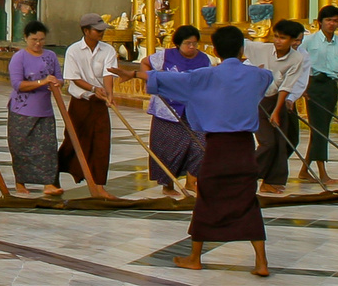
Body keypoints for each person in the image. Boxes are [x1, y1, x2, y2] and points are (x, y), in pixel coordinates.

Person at [113, 24, 275, 277]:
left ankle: (195, 257)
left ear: (216, 52)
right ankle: (261, 262)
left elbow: (170, 79)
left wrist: (133, 75)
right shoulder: (258, 76)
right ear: (241, 49)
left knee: (207, 198)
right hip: (244, 147)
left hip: (218, 147)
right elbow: (267, 77)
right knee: (247, 200)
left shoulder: (205, 76)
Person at [144, 24, 214, 196]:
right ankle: (167, 185)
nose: (191, 47)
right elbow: (145, 63)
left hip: (194, 110)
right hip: (167, 110)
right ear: (178, 43)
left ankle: (192, 180)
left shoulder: (205, 60)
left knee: (200, 145)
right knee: (167, 148)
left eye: (194, 43)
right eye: (187, 43)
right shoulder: (166, 55)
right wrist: (151, 83)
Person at [298, 4, 338, 185]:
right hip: (313, 86)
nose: (332, 24)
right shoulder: (308, 42)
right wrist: (302, 87)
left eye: (335, 21)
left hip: (330, 87)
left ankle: (304, 171)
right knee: (319, 130)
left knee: (321, 129)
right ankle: (322, 172)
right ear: (320, 22)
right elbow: (299, 65)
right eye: (328, 20)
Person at [58, 13, 117, 198]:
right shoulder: (73, 51)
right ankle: (53, 173)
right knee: (73, 141)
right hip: (81, 101)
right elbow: (73, 77)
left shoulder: (108, 50)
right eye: (97, 30)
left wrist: (109, 94)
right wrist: (93, 88)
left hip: (99, 103)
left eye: (102, 30)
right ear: (86, 31)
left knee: (101, 143)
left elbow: (108, 75)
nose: (101, 33)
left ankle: (99, 186)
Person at [250, 18, 310, 194]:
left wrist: (281, 107)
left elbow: (290, 84)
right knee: (268, 142)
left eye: (283, 38)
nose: (278, 41)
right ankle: (244, 175)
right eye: (276, 37)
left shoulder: (298, 57)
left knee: (283, 141)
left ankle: (271, 180)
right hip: (259, 100)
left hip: (281, 99)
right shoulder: (262, 49)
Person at [5, 20, 62, 197]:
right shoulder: (19, 57)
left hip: (44, 110)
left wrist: (56, 83)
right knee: (21, 146)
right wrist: (42, 82)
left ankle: (48, 183)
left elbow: (60, 78)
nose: (38, 43)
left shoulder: (50, 56)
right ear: (26, 38)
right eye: (34, 39)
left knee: (47, 148)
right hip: (22, 110)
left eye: (41, 39)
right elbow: (17, 84)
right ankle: (20, 181)